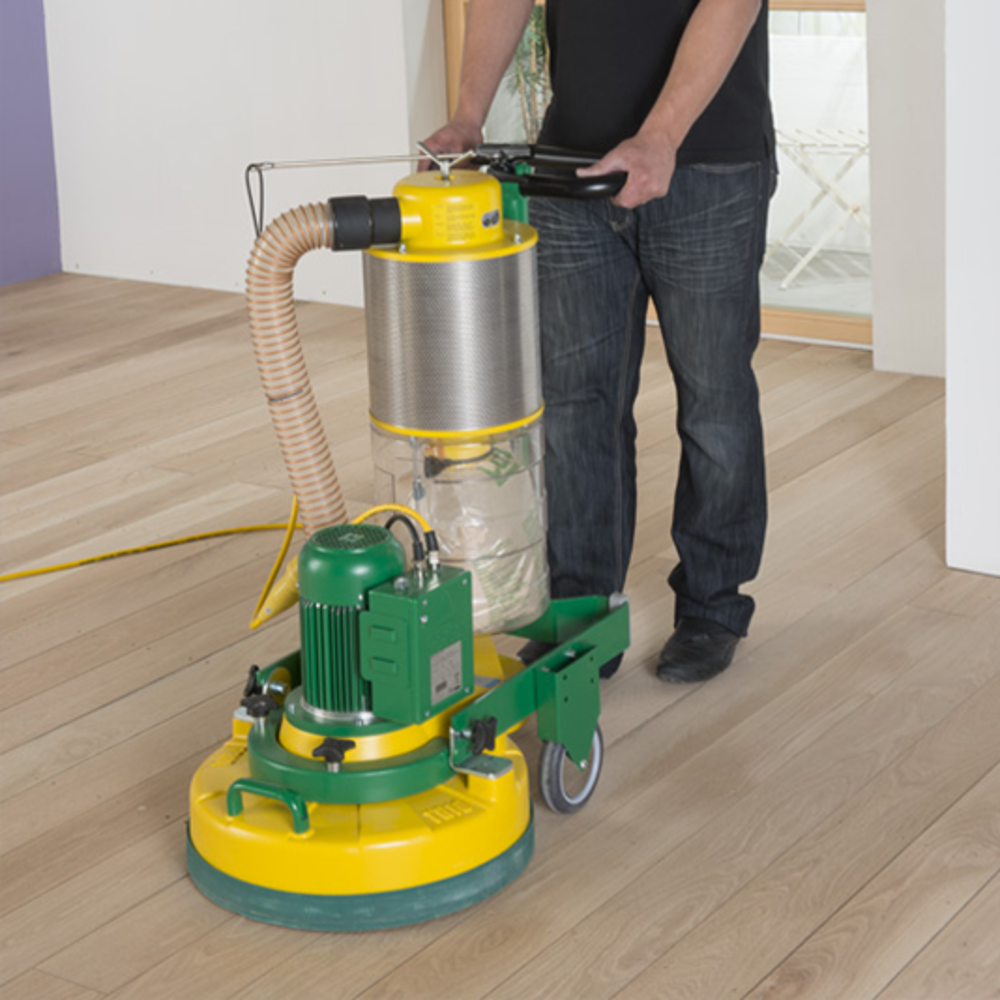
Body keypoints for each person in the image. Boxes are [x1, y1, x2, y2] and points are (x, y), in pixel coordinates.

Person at [423, 0, 775, 683]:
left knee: (715, 400)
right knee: (576, 405)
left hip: (708, 164)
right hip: (571, 167)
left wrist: (661, 136)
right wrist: (468, 115)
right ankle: (584, 614)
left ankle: (712, 606)